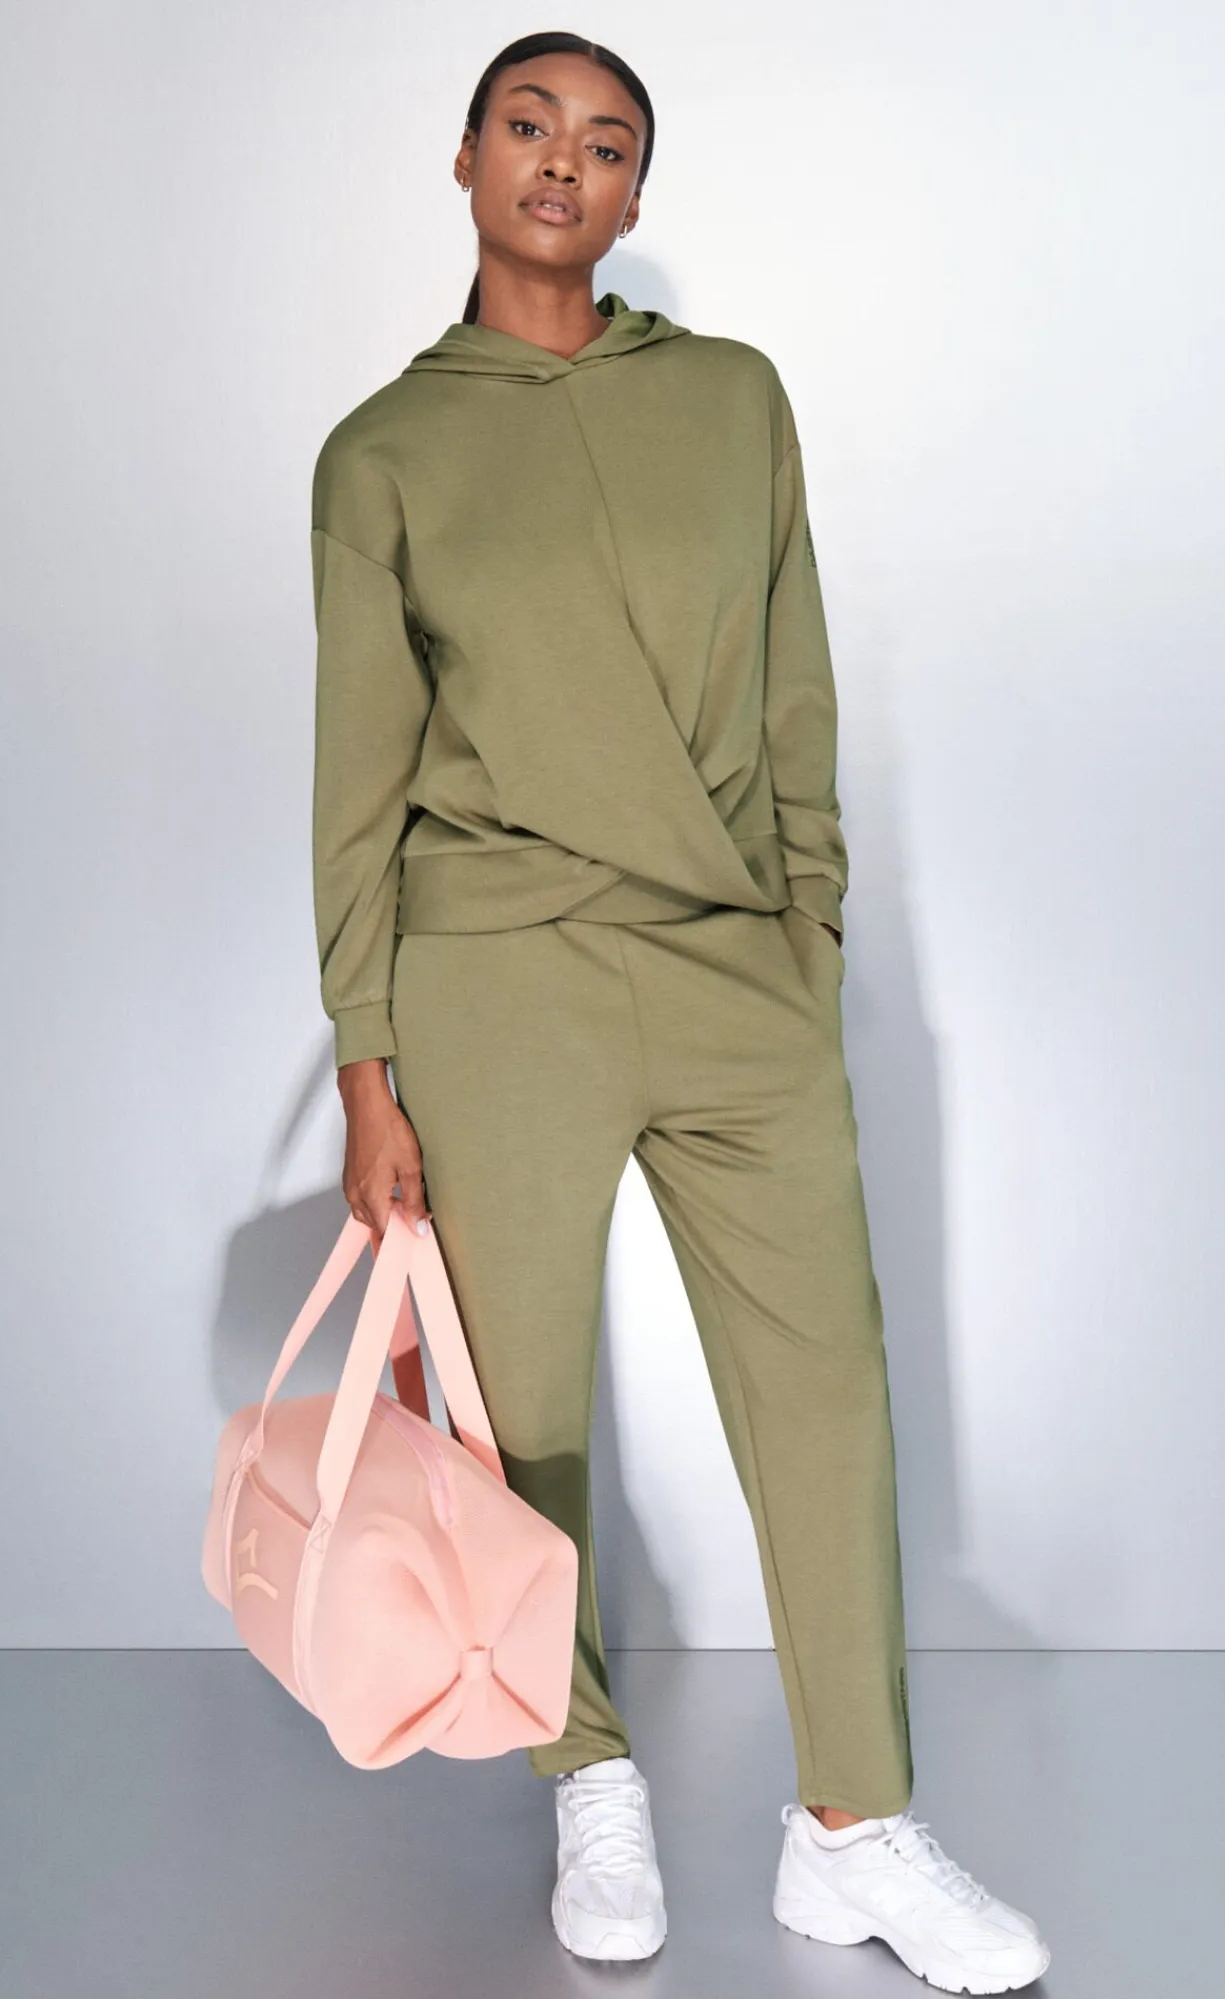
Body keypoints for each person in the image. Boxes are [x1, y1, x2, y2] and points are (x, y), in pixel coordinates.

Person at [308, 28, 1050, 1990]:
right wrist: (369, 1066)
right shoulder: (383, 454)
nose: (566, 161)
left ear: (640, 192)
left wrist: (810, 936)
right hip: (496, 977)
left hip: (736, 969)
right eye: (529, 124)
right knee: (524, 1415)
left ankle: (853, 1827)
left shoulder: (733, 399)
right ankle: (587, 1775)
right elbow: (357, 782)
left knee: (826, 1391)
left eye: (609, 141)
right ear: (466, 160)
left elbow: (799, 685)